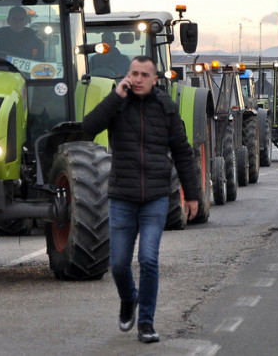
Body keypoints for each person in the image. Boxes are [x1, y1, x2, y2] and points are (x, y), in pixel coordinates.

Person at [81, 55, 200, 344]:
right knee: (119, 264)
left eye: (144, 75)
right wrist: (115, 96)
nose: (137, 79)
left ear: (155, 79)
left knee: (148, 260)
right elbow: (87, 128)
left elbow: (183, 153)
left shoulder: (166, 109)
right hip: (122, 195)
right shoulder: (117, 104)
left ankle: (146, 322)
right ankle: (128, 299)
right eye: (133, 73)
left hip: (156, 197)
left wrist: (192, 194)